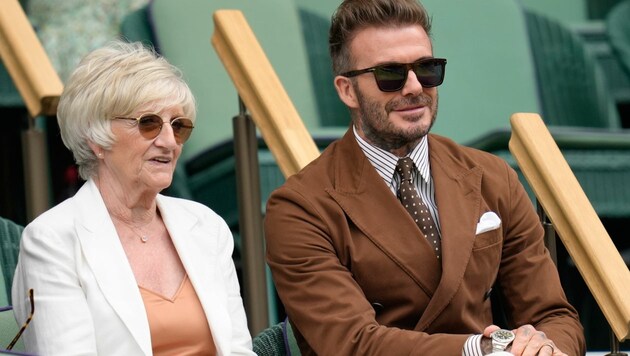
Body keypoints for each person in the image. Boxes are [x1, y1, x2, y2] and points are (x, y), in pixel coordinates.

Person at [264, 0, 586, 355]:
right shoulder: (299, 207)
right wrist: (484, 348)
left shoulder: (493, 177)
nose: (415, 87)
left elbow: (554, 315)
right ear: (346, 90)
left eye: (427, 68)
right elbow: (354, 344)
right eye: (390, 74)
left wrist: (546, 349)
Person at [12, 40, 255, 355]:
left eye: (178, 126)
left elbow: (238, 350)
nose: (169, 142)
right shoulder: (52, 240)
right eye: (149, 123)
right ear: (97, 138)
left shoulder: (207, 226)